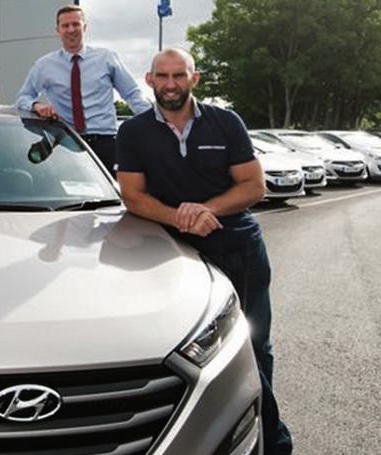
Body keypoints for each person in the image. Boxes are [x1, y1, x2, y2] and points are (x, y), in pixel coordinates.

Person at [115, 48, 293, 454]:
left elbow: (253, 186)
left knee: (252, 347)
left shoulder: (226, 123)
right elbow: (134, 197)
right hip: (171, 255)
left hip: (238, 248)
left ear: (195, 79)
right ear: (149, 79)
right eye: (163, 76)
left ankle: (271, 441)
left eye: (180, 75)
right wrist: (181, 218)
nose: (171, 84)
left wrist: (205, 209)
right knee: (184, 353)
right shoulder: (134, 132)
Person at [15, 4, 151, 172]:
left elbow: (132, 95)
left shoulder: (107, 58)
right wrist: (37, 106)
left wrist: (156, 124)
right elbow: (23, 98)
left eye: (76, 24)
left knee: (116, 194)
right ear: (57, 30)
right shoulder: (44, 65)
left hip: (106, 143)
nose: (71, 29)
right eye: (65, 25)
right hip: (66, 142)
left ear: (84, 27)